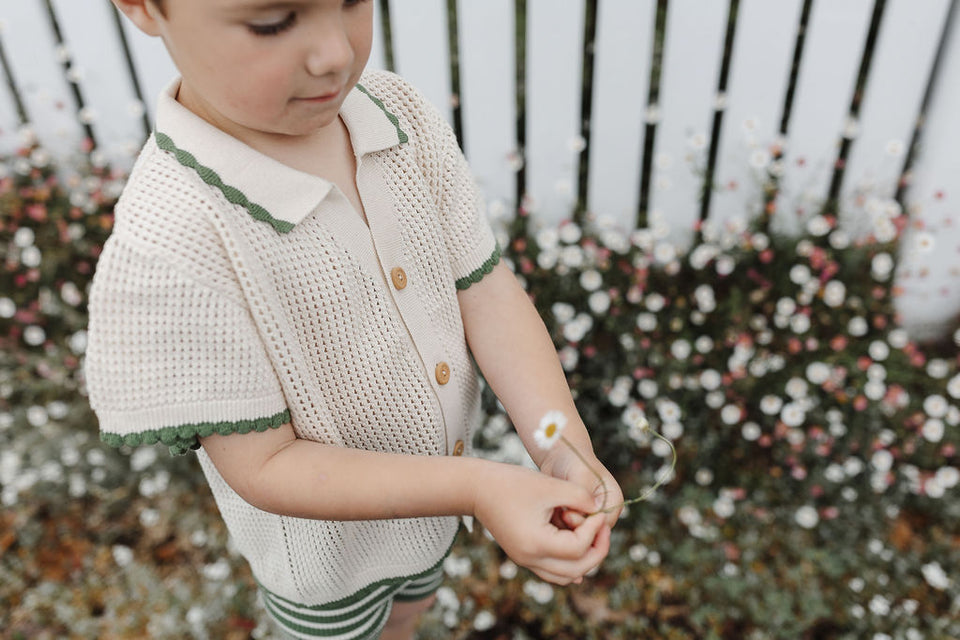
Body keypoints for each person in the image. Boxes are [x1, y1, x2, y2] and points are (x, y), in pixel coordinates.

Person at [87, 1, 623, 638]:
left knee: (409, 615)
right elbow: (264, 463)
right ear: (144, 8)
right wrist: (478, 488)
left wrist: (560, 446)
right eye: (273, 22)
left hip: (437, 516)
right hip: (329, 566)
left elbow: (486, 293)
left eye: (351, 1)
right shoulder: (173, 241)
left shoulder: (399, 116)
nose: (335, 53)